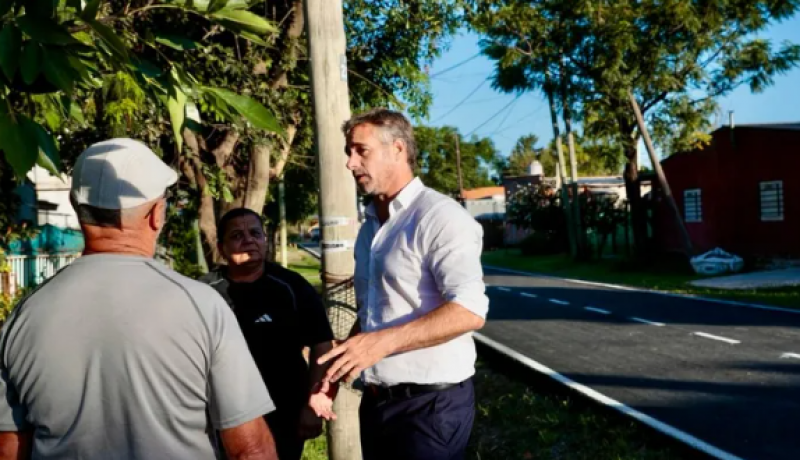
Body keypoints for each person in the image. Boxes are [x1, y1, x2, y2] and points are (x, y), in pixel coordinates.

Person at [0, 138, 277, 460]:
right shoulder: (203, 306)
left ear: (77, 210)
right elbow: (250, 450)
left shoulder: (24, 317)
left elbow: (8, 449)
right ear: (156, 215)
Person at [314, 108, 490, 460]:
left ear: (397, 149)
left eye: (360, 150)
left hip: (431, 408)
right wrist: (333, 376)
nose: (350, 163)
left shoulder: (439, 217)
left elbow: (470, 310)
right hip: (377, 404)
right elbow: (374, 316)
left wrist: (378, 344)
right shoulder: (370, 227)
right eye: (349, 151)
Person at [200, 208, 336, 459]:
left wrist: (313, 404)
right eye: (237, 235)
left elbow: (322, 345)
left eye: (255, 233)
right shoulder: (203, 292)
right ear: (221, 247)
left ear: (265, 240)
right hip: (223, 413)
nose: (248, 240)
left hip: (285, 411)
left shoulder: (292, 287)